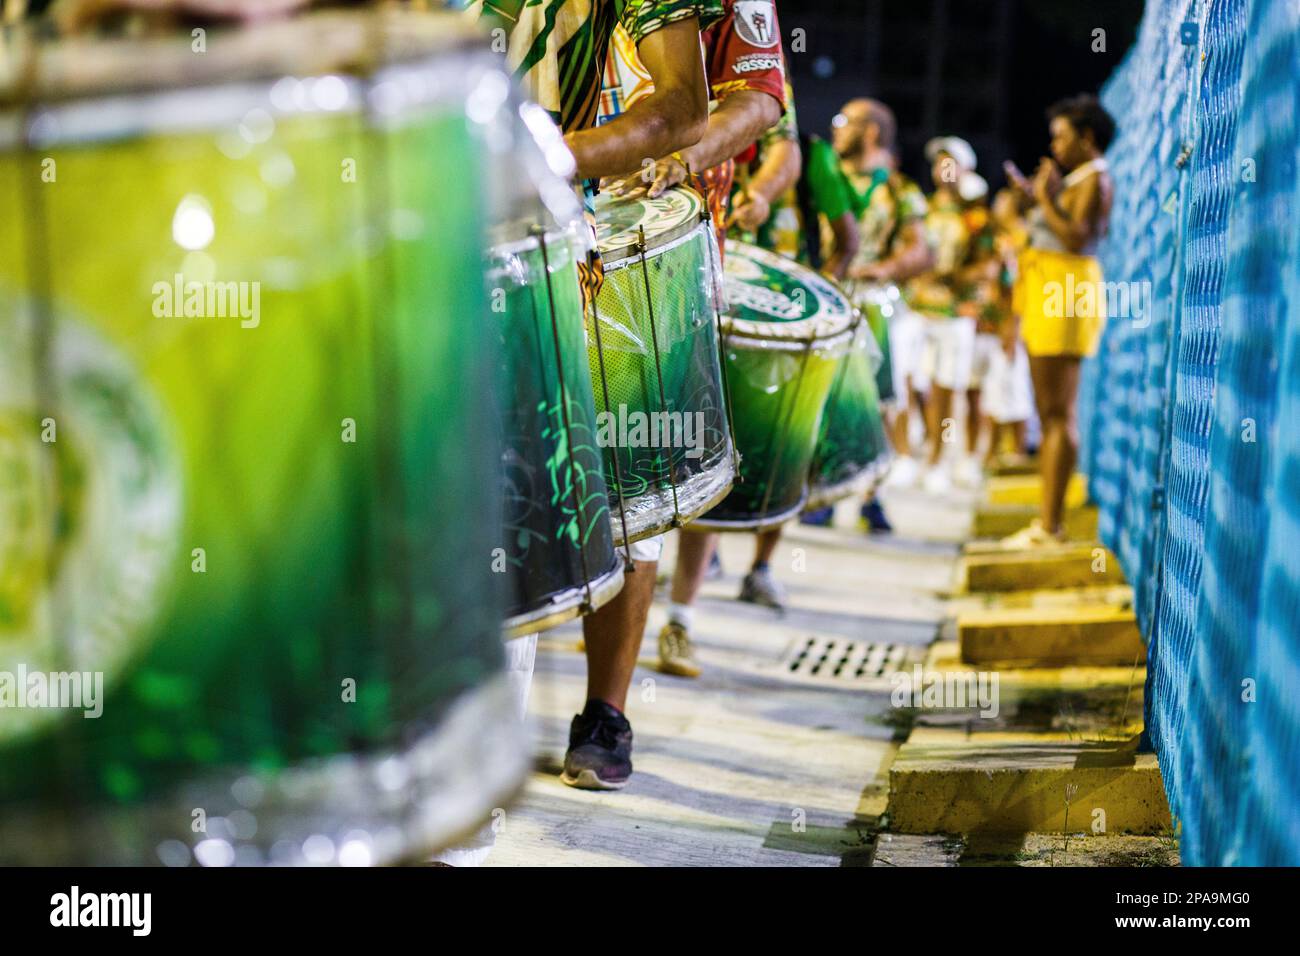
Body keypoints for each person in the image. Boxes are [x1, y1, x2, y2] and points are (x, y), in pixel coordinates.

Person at [471, 0, 725, 795]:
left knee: (531, 502)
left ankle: (591, 718)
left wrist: (545, 155)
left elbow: (690, 100)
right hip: (385, 208)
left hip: (541, 230)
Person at [599, 1, 790, 677]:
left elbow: (765, 105)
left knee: (647, 454)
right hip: (542, 213)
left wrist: (689, 157)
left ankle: (673, 623)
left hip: (664, 241)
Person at [805, 98, 931, 530]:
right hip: (827, 297)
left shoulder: (898, 190)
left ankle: (871, 494)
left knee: (878, 403)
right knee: (824, 396)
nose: (836, 129)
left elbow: (921, 250)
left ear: (872, 132)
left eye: (846, 122)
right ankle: (821, 490)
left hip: (874, 303)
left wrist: (883, 268)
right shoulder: (823, 176)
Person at [1002, 93, 1114, 547]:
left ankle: (1051, 525)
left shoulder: (1096, 178)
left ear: (1088, 138)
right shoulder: (1080, 178)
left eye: (1062, 138)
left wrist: (1045, 199)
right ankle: (1046, 522)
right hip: (1050, 288)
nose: (1055, 148)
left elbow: (1076, 238)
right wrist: (1032, 199)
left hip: (1064, 291)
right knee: (1047, 412)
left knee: (1057, 414)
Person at [905, 136, 986, 493]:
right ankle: (908, 453)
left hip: (954, 312)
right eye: (939, 162)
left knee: (946, 389)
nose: (943, 169)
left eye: (950, 162)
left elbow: (991, 263)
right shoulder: (923, 208)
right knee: (906, 381)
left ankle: (937, 461)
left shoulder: (976, 215)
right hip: (918, 307)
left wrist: (955, 278)